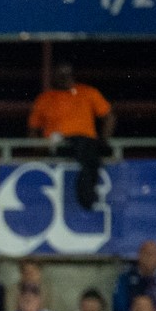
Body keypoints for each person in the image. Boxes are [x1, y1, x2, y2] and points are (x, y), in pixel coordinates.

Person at [28, 63, 113, 211]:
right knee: (86, 153)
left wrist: (104, 139)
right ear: (54, 77)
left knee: (88, 152)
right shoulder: (46, 98)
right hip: (58, 145)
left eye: (67, 76)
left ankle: (86, 194)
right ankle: (87, 195)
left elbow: (109, 117)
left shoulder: (88, 92)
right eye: (60, 76)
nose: (64, 79)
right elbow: (33, 128)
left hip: (86, 144)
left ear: (73, 76)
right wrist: (38, 148)